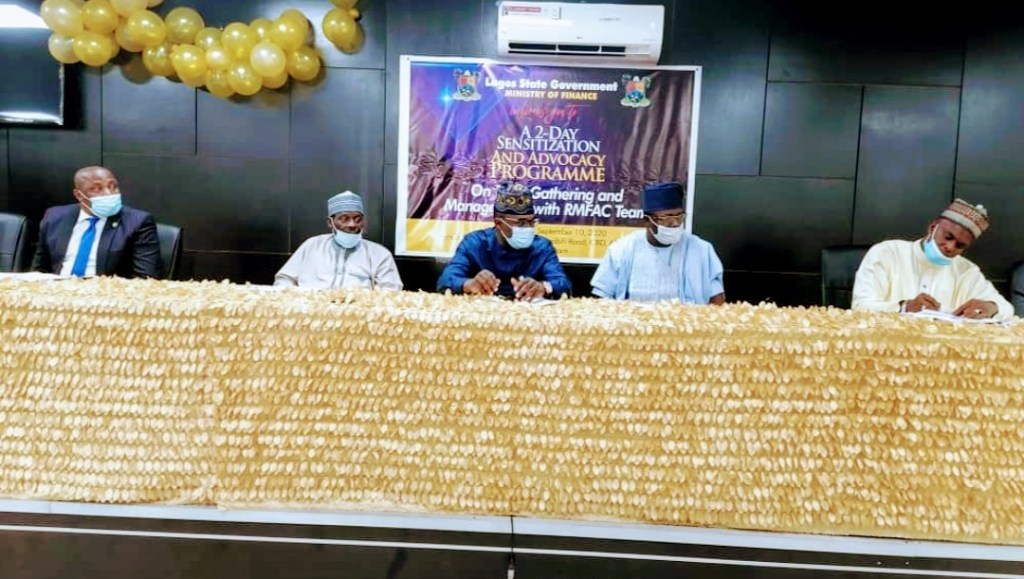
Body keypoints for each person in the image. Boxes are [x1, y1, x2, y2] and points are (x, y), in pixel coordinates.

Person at [852, 198, 1013, 320]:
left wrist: (992, 307)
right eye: (948, 237)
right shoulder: (887, 253)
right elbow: (859, 307)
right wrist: (904, 307)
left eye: (960, 245)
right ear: (932, 227)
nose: (950, 247)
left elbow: (1007, 309)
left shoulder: (966, 271)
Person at [591, 182, 725, 304]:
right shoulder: (621, 250)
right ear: (646, 221)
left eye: (679, 217)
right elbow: (600, 300)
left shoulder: (701, 250)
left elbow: (717, 302)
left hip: (684, 322)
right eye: (666, 218)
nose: (675, 224)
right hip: (633, 322)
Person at [436, 183, 571, 300]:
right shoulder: (474, 244)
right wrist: (469, 284)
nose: (528, 228)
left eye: (531, 222)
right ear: (499, 223)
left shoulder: (542, 247)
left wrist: (544, 287)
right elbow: (446, 280)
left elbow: (563, 284)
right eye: (520, 223)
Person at [31, 165, 161, 278]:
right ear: (79, 195)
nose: (108, 194)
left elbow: (145, 279)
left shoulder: (138, 222)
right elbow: (39, 270)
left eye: (113, 187)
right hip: (57, 292)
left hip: (106, 295)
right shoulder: (54, 217)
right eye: (97, 189)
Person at [274, 191, 402, 290]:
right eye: (344, 219)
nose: (352, 224)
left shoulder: (379, 254)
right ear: (330, 222)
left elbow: (391, 292)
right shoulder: (312, 245)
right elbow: (284, 280)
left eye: (357, 219)